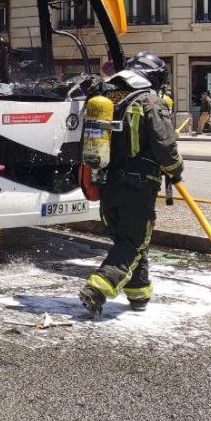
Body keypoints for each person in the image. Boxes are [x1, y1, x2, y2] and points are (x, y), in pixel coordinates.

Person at [80, 51, 184, 316]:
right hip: (137, 186)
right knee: (134, 242)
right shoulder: (148, 101)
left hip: (108, 184)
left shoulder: (107, 98)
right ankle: (97, 288)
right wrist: (176, 170)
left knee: (131, 241)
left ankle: (139, 296)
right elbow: (165, 144)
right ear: (153, 76)